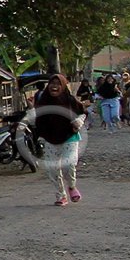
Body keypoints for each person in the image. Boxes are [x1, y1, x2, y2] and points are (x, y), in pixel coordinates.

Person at [34, 74, 85, 207]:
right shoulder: (43, 101)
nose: (54, 86)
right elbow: (39, 120)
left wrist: (78, 121)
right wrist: (40, 134)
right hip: (50, 138)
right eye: (52, 83)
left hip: (69, 136)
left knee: (69, 165)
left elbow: (82, 112)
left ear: (63, 86)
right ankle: (61, 196)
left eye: (58, 83)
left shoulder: (70, 100)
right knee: (52, 168)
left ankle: (72, 187)